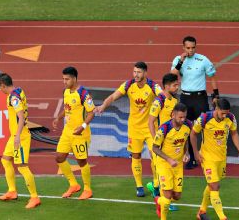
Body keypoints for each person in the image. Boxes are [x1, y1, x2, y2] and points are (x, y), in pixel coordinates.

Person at [95, 61, 162, 197]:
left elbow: (163, 96)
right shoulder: (128, 84)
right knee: (135, 156)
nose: (136, 75)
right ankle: (139, 186)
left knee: (155, 156)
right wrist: (103, 105)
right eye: (134, 72)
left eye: (139, 72)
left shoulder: (152, 86)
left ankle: (156, 185)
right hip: (134, 128)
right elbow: (114, 96)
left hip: (150, 128)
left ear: (145, 73)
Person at [190, 98, 239, 220]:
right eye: (222, 113)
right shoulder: (204, 118)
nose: (224, 115)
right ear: (217, 109)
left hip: (221, 158)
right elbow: (193, 134)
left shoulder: (230, 118)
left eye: (227, 112)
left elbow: (234, 133)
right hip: (207, 157)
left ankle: (201, 212)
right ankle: (222, 217)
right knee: (215, 186)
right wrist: (195, 153)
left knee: (213, 185)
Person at [171, 36, 219, 170]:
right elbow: (172, 76)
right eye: (188, 48)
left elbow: (212, 76)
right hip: (185, 98)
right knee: (186, 128)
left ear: (195, 47)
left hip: (200, 98)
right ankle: (191, 157)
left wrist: (216, 95)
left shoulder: (203, 59)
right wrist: (181, 61)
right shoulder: (178, 60)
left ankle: (207, 157)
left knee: (204, 128)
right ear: (183, 48)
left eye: (193, 47)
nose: (190, 50)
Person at [0, 73, 41, 209]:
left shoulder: (13, 98)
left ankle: (34, 197)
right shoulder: (19, 90)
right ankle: (12, 191)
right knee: (5, 160)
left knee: (22, 166)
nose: (0, 90)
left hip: (20, 137)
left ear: (3, 85)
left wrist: (17, 136)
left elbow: (21, 117)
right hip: (15, 135)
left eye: (0, 87)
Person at [52, 66, 95, 200]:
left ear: (75, 78)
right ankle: (73, 184)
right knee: (59, 157)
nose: (64, 81)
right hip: (67, 131)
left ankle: (87, 189)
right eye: (63, 79)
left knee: (81, 161)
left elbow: (91, 112)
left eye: (67, 79)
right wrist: (58, 118)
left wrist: (82, 126)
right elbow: (67, 108)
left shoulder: (83, 94)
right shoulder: (66, 92)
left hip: (80, 133)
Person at [152, 103, 192, 220]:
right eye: (180, 117)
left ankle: (158, 200)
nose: (183, 119)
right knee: (168, 195)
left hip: (178, 165)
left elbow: (185, 140)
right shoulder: (164, 129)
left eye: (184, 116)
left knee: (177, 196)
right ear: (173, 115)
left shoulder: (188, 125)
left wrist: (187, 152)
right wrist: (168, 159)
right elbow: (154, 148)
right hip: (164, 164)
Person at [148, 73, 179, 197]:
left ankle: (155, 188)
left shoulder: (175, 101)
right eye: (174, 85)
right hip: (160, 141)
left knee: (168, 170)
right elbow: (150, 122)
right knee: (163, 171)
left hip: (171, 142)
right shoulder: (159, 101)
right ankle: (164, 200)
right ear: (166, 86)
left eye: (177, 84)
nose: (177, 87)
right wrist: (156, 141)